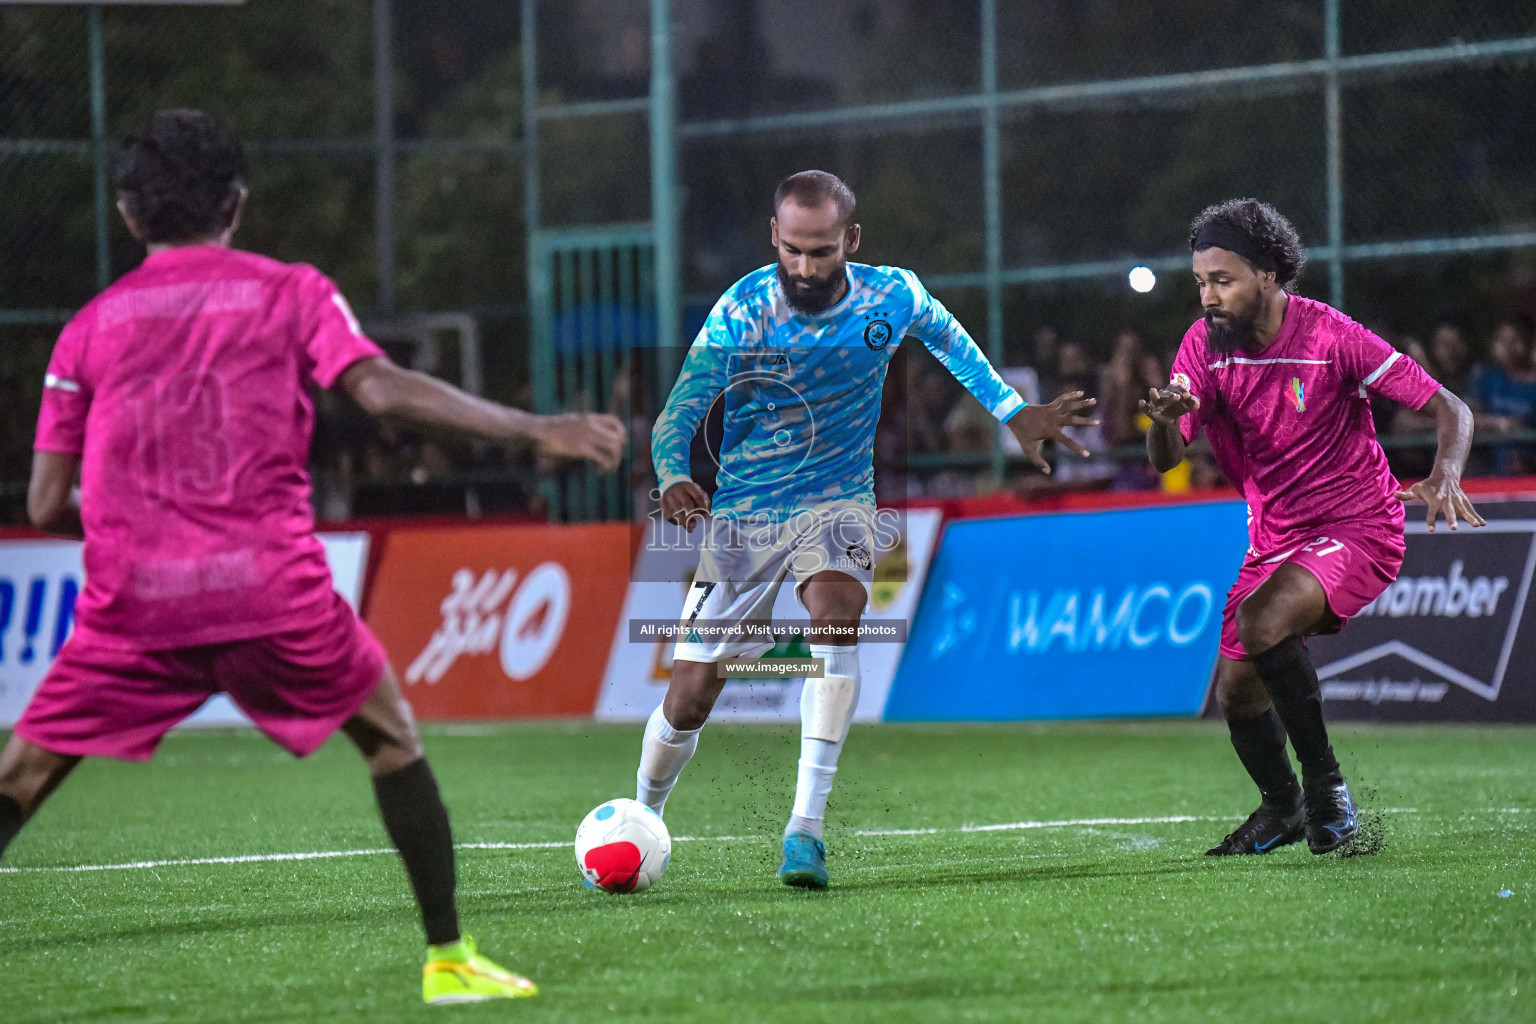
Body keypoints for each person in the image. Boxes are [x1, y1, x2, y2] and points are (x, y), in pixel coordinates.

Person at [0, 110, 626, 1004]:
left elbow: (45, 504)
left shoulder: (87, 331)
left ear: (129, 214)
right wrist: (534, 429)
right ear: (237, 204)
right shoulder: (290, 291)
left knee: (19, 776)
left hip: (132, 605)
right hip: (273, 592)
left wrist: (142, 537)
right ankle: (448, 962)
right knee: (389, 737)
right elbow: (378, 389)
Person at [642, 170, 1095, 888]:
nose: (803, 267)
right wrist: (672, 475)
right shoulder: (744, 308)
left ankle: (805, 831)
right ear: (774, 236)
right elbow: (681, 409)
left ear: (850, 240)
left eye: (820, 252)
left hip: (839, 501)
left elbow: (953, 345)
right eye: (791, 249)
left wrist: (1012, 411)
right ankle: (642, 815)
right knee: (692, 692)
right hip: (746, 514)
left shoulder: (893, 295)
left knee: (837, 615)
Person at [1142, 198, 1484, 857]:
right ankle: (1283, 807)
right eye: (1200, 281)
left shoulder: (1331, 336)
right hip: (1275, 538)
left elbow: (1449, 407)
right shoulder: (1202, 347)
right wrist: (1163, 423)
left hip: (1360, 526)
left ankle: (1328, 791)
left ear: (1267, 275)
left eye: (1224, 279)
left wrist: (1446, 471)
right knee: (1235, 693)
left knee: (1262, 620)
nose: (1209, 295)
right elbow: (1167, 459)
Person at [1468, 316, 1536, 475]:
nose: (1508, 348)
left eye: (1515, 340)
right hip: (1491, 474)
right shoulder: (1488, 378)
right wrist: (1499, 423)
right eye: (1502, 340)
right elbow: (1467, 416)